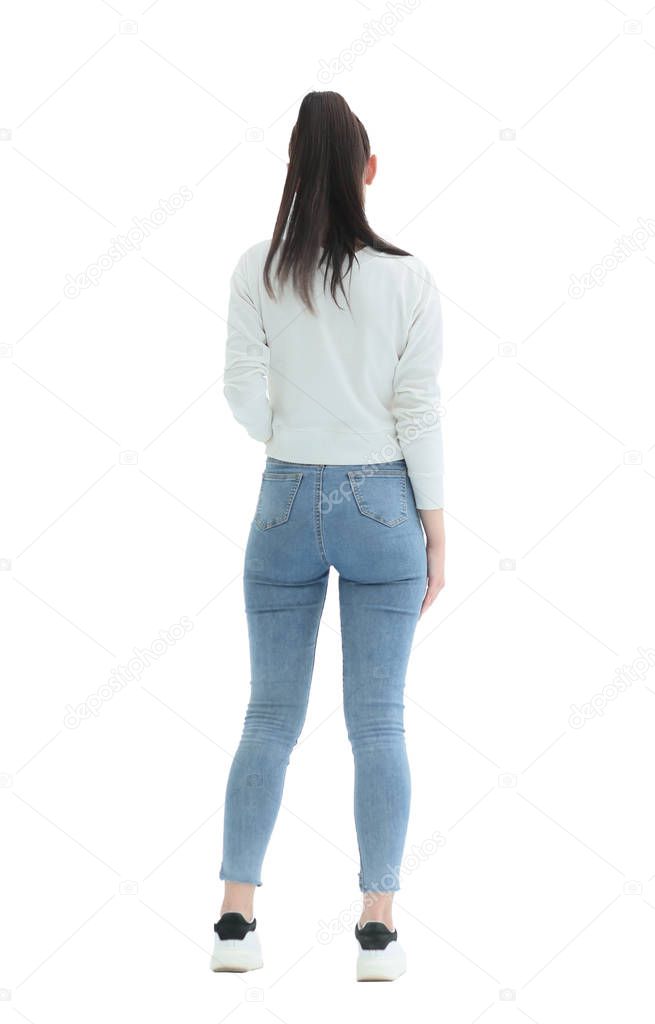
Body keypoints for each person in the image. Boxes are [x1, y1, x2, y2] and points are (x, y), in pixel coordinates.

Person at [211, 90, 446, 982]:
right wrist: (433, 525)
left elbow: (238, 387)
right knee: (377, 723)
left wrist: (287, 437)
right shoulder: (408, 277)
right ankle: (376, 931)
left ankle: (235, 924)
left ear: (293, 173)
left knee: (268, 717)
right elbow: (417, 408)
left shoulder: (255, 269)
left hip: (281, 500)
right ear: (367, 172)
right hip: (385, 501)